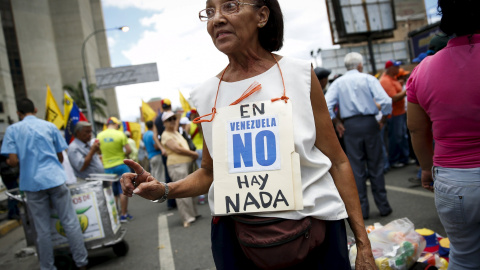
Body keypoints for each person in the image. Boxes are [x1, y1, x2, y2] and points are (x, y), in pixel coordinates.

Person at [121, 1, 375, 269]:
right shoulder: (208, 95)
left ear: (262, 15)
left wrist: (364, 245)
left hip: (317, 235)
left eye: (229, 6)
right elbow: (209, 172)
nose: (216, 19)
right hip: (239, 242)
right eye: (210, 11)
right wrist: (163, 190)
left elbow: (338, 161)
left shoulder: (299, 76)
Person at [406, 0, 480, 268]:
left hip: (452, 179)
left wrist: (426, 168)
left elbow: (416, 128)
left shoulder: (422, 71)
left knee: (463, 255)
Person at [1, 98, 88, 270]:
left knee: (42, 230)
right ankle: (81, 262)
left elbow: (12, 160)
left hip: (32, 183)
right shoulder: (49, 126)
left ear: (18, 113)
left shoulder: (12, 130)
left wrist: (20, 161)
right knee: (70, 222)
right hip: (55, 179)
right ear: (35, 109)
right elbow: (61, 157)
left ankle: (48, 267)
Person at [325, 52, 393, 220]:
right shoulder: (368, 79)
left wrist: (337, 122)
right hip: (370, 124)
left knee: (356, 170)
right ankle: (383, 206)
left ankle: (362, 210)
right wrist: (383, 118)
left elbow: (326, 105)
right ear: (360, 65)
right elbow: (386, 102)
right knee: (376, 166)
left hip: (351, 127)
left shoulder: (338, 82)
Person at [160, 111, 199, 227]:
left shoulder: (175, 132)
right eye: (169, 119)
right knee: (181, 191)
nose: (172, 121)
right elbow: (177, 149)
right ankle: (186, 218)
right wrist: (193, 154)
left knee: (191, 189)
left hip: (186, 163)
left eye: (173, 118)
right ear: (164, 123)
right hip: (177, 165)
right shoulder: (166, 135)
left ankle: (193, 214)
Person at [97, 117, 133, 223]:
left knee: (112, 193)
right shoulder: (120, 134)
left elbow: (98, 151)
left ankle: (115, 216)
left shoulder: (99, 135)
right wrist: (123, 155)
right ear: (116, 125)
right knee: (123, 191)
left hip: (107, 167)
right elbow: (129, 150)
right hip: (121, 165)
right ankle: (124, 214)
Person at [380, 59, 410, 169]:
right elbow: (393, 98)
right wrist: (407, 91)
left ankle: (404, 158)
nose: (398, 69)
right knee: (395, 137)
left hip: (400, 112)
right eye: (396, 67)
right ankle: (394, 159)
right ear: (390, 68)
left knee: (402, 136)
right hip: (394, 114)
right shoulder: (385, 81)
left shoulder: (393, 78)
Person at [153, 98, 177, 209]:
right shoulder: (173, 116)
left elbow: (155, 136)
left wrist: (162, 148)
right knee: (178, 176)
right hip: (175, 149)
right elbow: (175, 131)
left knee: (168, 176)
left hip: (165, 151)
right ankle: (180, 199)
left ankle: (171, 203)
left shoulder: (157, 119)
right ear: (170, 106)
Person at [0, 139, 20, 220]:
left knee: (14, 194)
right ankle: (12, 213)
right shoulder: (4, 155)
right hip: (9, 175)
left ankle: (16, 212)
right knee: (13, 195)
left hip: (10, 175)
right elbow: (12, 161)